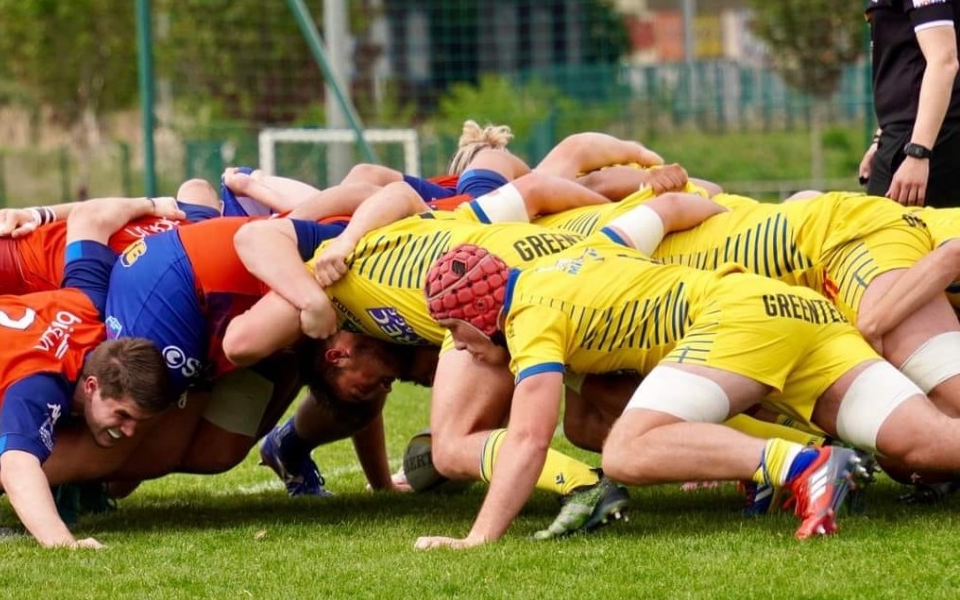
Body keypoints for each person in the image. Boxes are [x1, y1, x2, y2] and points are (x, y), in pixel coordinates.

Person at [413, 222, 960, 548]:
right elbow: (584, 416)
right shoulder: (571, 259)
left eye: (457, 332)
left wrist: (477, 537)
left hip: (739, 320)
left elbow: (530, 439)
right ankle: (794, 465)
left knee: (629, 449)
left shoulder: (529, 316)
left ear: (483, 310)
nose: (459, 348)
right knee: (932, 443)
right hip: (794, 308)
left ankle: (803, 467)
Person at [225, 179, 725, 537]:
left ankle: (584, 486)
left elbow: (241, 328)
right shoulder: (423, 225)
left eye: (363, 385)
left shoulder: (324, 272)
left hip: (513, 296)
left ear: (336, 350)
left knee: (452, 447)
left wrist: (312, 296)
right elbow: (396, 189)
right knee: (595, 414)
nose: (384, 390)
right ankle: (771, 461)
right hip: (579, 260)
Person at [0, 196, 178, 548]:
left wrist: (151, 203)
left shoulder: (88, 306)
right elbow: (16, 465)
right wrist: (64, 544)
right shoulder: (41, 382)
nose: (129, 430)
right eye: (123, 414)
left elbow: (91, 216)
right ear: (92, 384)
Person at [0, 179, 222, 295]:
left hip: (23, 266)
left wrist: (147, 204)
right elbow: (196, 187)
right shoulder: (198, 218)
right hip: (25, 233)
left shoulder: (188, 280)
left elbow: (90, 215)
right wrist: (36, 214)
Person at [860, 1, 960, 207]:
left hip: (929, 141)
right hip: (902, 135)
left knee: (892, 235)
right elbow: (905, 61)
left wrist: (918, 153)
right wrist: (881, 137)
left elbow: (944, 60)